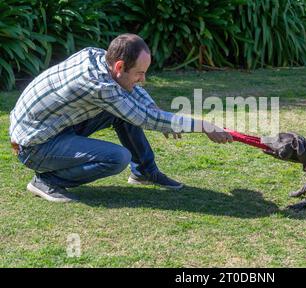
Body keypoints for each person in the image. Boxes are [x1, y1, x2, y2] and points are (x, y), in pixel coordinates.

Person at [9, 33, 233, 203]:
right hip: (33, 146)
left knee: (124, 110)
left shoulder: (97, 56)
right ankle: (46, 181)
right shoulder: (98, 86)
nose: (142, 80)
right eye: (139, 73)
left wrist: (151, 106)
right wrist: (203, 125)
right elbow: (145, 118)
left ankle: (145, 172)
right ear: (119, 66)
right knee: (117, 157)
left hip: (51, 127)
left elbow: (133, 95)